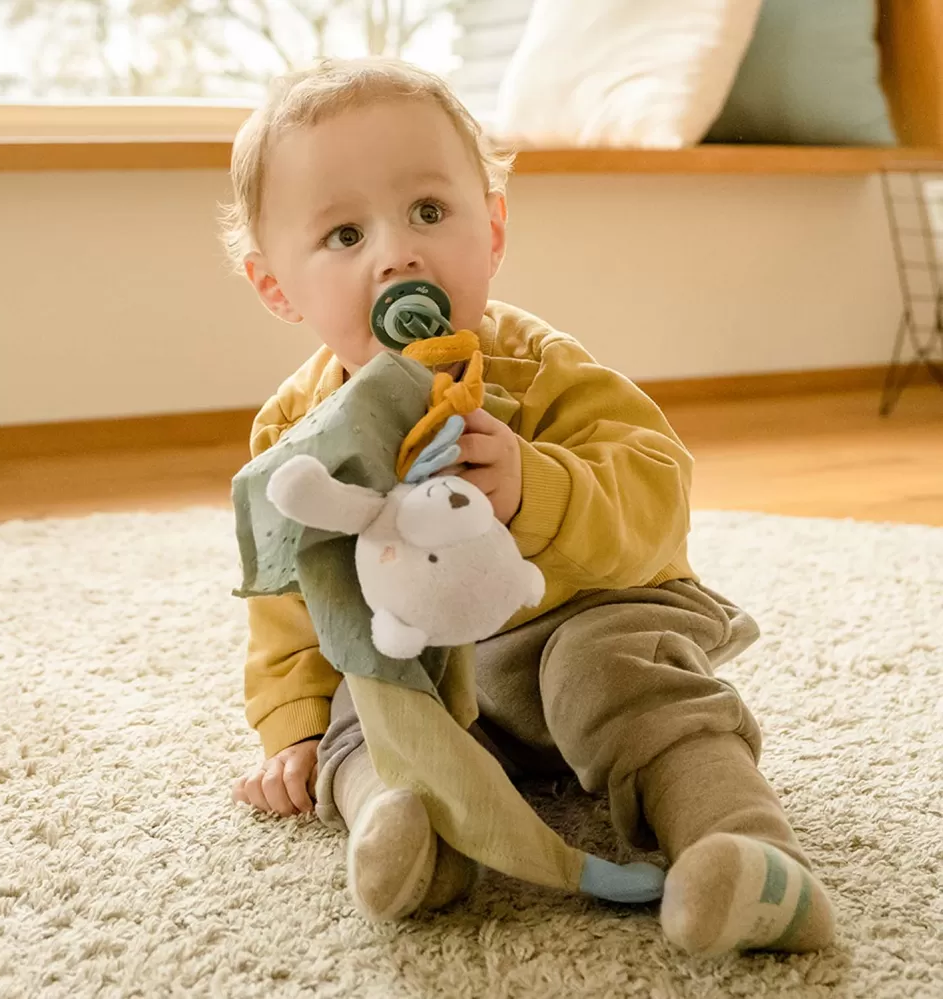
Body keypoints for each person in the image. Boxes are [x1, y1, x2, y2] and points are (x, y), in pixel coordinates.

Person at [224, 57, 834, 957]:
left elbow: (656, 491)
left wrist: (534, 484)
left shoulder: (539, 367)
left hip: (583, 618)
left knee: (619, 677)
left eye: (428, 211)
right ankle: (408, 832)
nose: (397, 253)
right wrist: (296, 724)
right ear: (276, 286)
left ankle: (745, 852)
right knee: (371, 702)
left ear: (493, 230)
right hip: (437, 661)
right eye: (344, 234)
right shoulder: (297, 432)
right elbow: (293, 593)